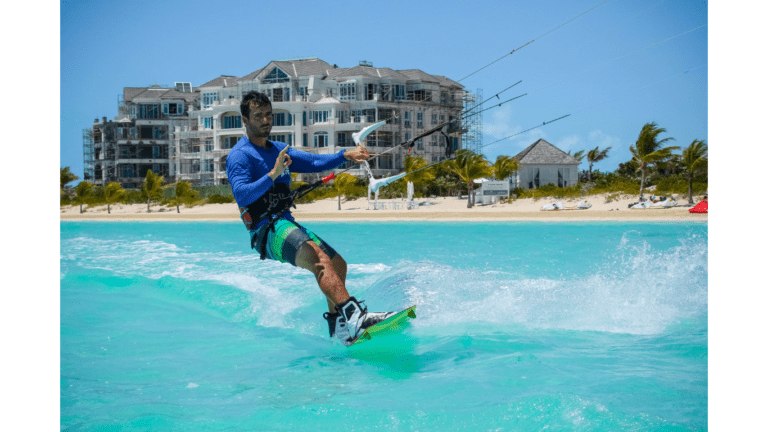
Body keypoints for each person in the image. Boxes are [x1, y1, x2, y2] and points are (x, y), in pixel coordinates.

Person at [226, 91, 395, 346]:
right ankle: (355, 318)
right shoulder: (240, 155)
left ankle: (340, 328)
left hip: (285, 223)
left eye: (269, 115)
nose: (265, 120)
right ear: (245, 120)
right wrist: (273, 174)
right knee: (319, 259)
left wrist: (345, 155)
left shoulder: (279, 151)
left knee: (338, 265)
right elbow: (241, 193)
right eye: (258, 115)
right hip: (265, 231)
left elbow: (315, 161)